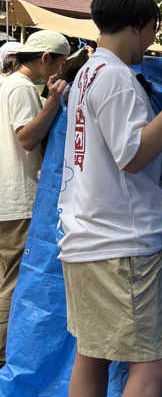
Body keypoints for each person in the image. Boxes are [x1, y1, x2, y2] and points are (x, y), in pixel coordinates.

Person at [57, 0, 162, 397]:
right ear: (138, 26)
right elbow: (133, 155)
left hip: (84, 237)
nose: (152, 41)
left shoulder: (88, 72)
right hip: (119, 245)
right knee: (154, 361)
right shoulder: (115, 77)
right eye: (153, 30)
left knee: (92, 353)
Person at [0, 30, 69, 367]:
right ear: (45, 58)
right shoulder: (22, 88)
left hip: (7, 198)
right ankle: (3, 356)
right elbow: (27, 138)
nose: (61, 70)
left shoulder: (7, 83)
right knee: (12, 284)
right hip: (18, 199)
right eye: (61, 63)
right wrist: (53, 101)